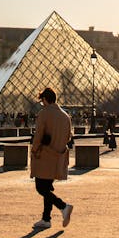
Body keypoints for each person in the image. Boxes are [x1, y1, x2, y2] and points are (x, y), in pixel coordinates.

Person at [30, 87, 74, 230]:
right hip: (58, 156)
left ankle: (63, 206)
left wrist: (34, 149)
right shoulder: (65, 116)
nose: (41, 104)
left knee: (40, 188)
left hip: (44, 155)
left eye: (41, 101)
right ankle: (46, 219)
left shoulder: (44, 113)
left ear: (45, 99)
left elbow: (38, 135)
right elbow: (69, 137)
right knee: (47, 188)